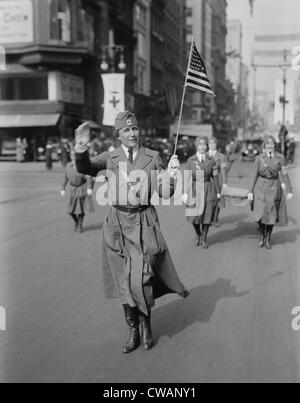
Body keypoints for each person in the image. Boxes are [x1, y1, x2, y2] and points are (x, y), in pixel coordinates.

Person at [74, 112, 188, 353]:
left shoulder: (152, 157)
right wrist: (81, 148)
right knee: (123, 281)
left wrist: (173, 175)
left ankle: (146, 323)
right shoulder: (110, 157)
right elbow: (85, 167)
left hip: (143, 221)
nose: (132, 133)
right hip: (116, 224)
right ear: (118, 135)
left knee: (143, 277)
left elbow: (165, 193)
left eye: (135, 128)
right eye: (126, 130)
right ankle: (133, 330)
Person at [248, 135, 293, 250]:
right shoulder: (259, 158)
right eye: (267, 144)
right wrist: (250, 191)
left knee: (272, 215)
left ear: (274, 145)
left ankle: (267, 239)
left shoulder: (281, 158)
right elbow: (254, 175)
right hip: (260, 188)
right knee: (261, 214)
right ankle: (262, 234)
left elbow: (285, 174)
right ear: (264, 146)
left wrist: (289, 190)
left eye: (271, 144)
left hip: (274, 187)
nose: (269, 146)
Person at [183, 137, 221, 249]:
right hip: (195, 188)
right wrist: (185, 192)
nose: (203, 147)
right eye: (200, 145)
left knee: (207, 214)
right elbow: (187, 176)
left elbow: (215, 176)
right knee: (194, 215)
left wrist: (218, 191)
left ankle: (204, 238)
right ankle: (198, 233)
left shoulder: (211, 159)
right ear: (196, 146)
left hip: (208, 188)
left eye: (204, 145)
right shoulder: (191, 160)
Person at [61, 152, 94, 233]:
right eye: (72, 156)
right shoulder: (68, 166)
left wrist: (89, 188)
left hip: (81, 188)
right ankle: (76, 222)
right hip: (71, 189)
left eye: (75, 156)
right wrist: (63, 188)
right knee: (70, 210)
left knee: (80, 209)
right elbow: (65, 178)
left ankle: (80, 225)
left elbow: (89, 177)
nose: (73, 157)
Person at [208, 137, 228, 227]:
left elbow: (223, 170)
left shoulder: (221, 156)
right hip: (207, 179)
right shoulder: (204, 155)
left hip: (217, 179)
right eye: (210, 144)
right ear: (208, 145)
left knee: (218, 199)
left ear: (216, 145)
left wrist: (224, 183)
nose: (212, 145)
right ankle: (209, 218)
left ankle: (215, 219)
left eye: (214, 144)